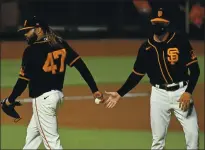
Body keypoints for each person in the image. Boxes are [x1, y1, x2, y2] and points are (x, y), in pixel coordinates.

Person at [1, 16, 104, 149]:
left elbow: (22, 81)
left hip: (43, 100)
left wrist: (9, 100)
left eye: (28, 31)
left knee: (52, 144)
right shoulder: (60, 43)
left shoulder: (31, 51)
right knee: (32, 135)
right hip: (56, 97)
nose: (26, 35)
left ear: (38, 30)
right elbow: (81, 66)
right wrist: (94, 89)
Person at [105, 8, 200, 149]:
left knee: (193, 135)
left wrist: (188, 92)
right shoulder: (146, 48)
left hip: (182, 92)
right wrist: (120, 93)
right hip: (158, 95)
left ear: (167, 24)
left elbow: (195, 70)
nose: (157, 25)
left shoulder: (180, 41)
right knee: (158, 140)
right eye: (155, 22)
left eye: (161, 22)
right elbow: (136, 75)